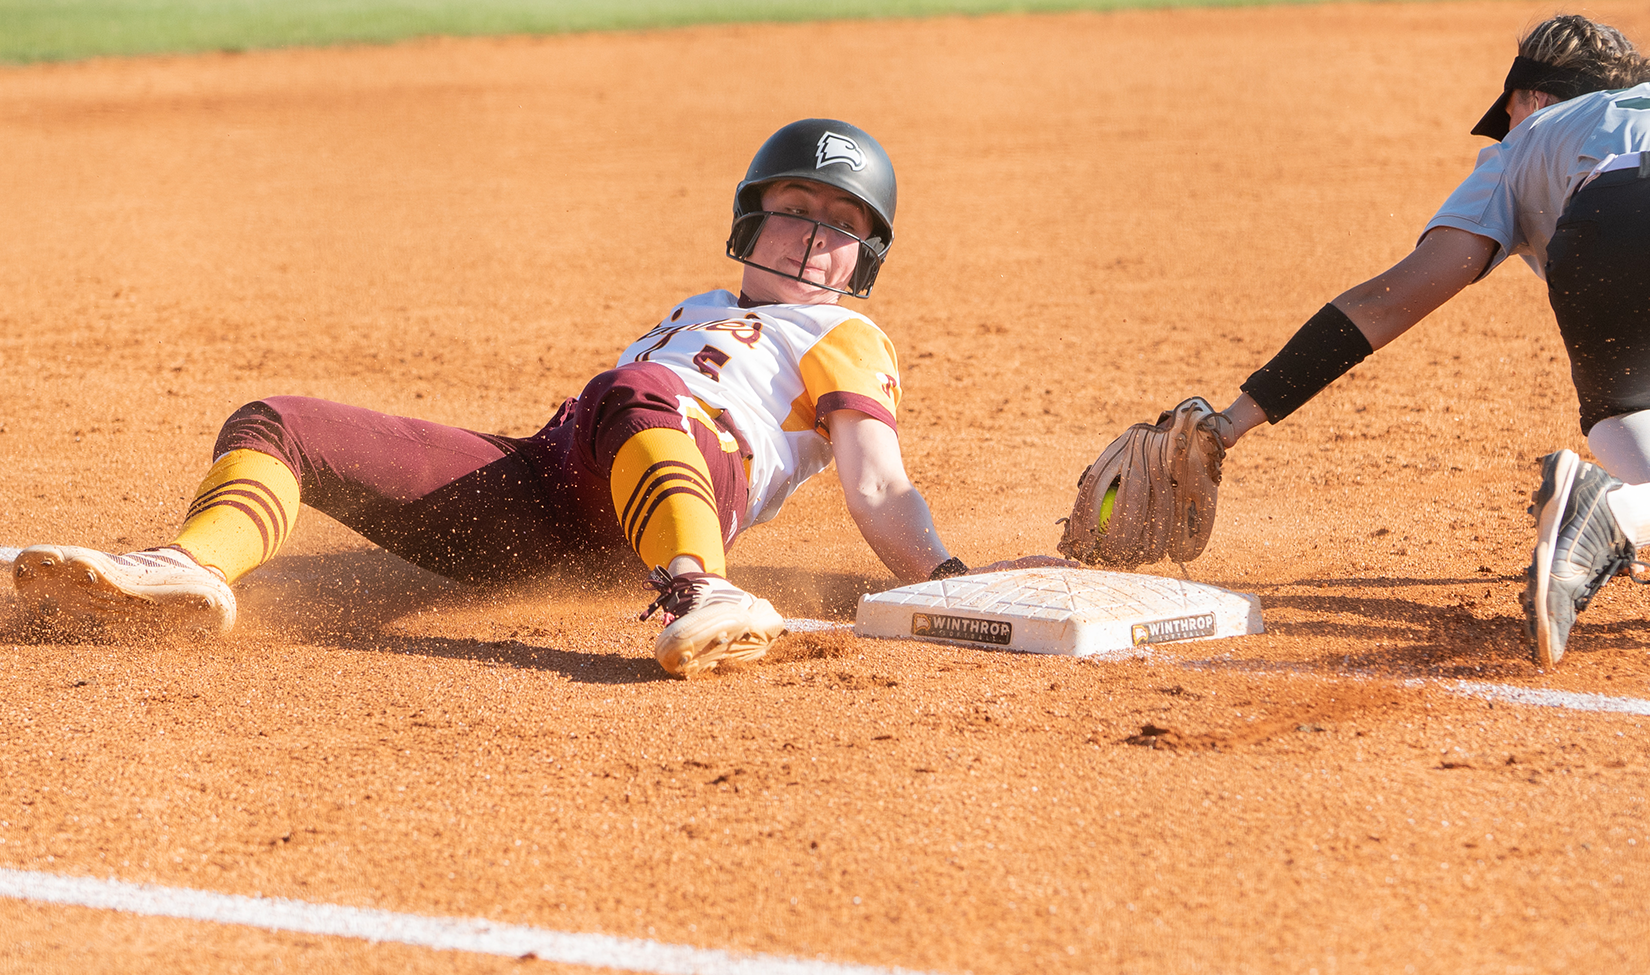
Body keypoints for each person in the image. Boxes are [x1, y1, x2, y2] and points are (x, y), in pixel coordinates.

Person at [11, 119, 1061, 676]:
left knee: (633, 388)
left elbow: (878, 487)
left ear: (862, 258)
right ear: (753, 219)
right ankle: (193, 571)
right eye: (797, 209)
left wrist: (948, 581)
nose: (814, 239)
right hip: (554, 486)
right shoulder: (702, 305)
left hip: (683, 485)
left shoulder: (847, 337)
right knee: (279, 422)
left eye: (842, 226)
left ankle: (702, 595)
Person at [1203, 15, 1650, 669]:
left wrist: (1232, 422)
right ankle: (1639, 516)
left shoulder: (1525, 144)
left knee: (1627, 412)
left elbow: (1390, 300)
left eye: (1508, 111)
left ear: (1537, 98)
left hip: (1603, 220)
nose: (1506, 126)